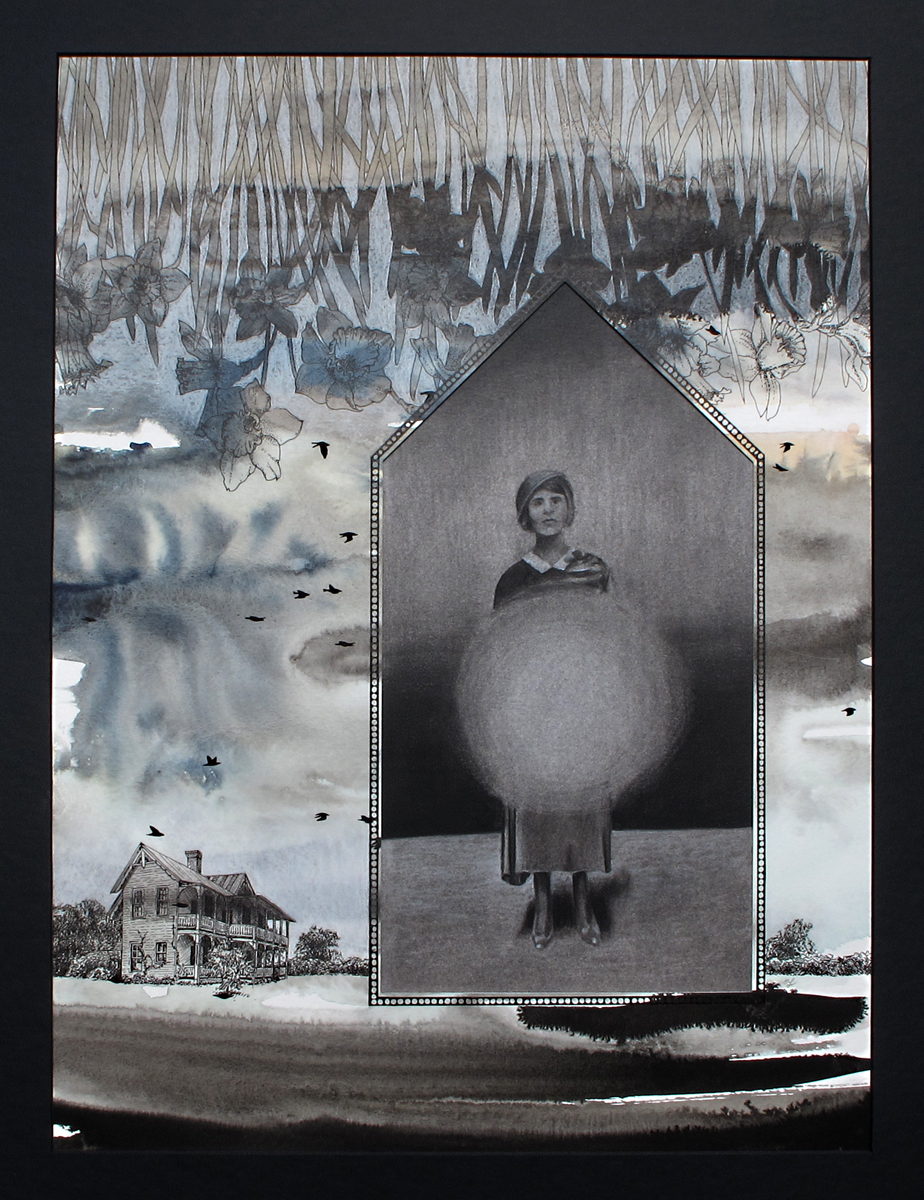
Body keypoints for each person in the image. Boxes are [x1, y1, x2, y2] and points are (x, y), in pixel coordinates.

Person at [493, 470, 612, 950]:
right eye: (537, 501)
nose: (547, 509)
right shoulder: (513, 580)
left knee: (580, 798)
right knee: (537, 800)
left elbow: (608, 637)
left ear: (570, 508)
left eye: (556, 500)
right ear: (526, 514)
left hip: (581, 699)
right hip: (532, 703)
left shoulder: (594, 570)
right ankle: (542, 901)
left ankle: (582, 900)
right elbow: (501, 649)